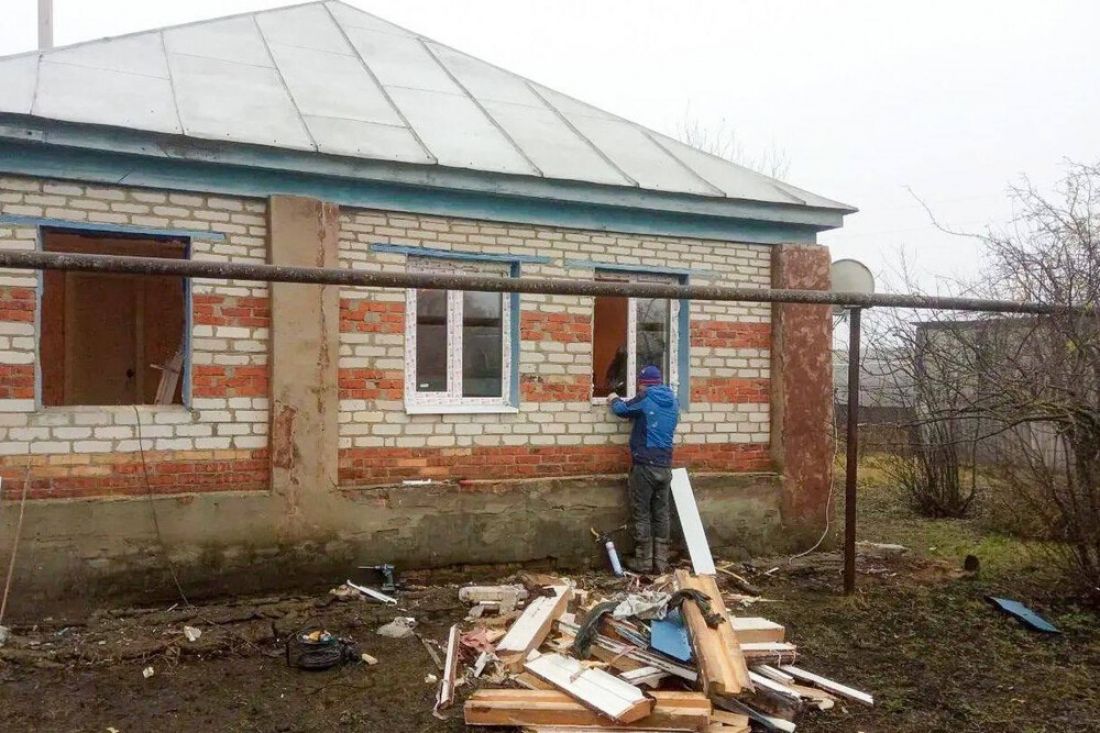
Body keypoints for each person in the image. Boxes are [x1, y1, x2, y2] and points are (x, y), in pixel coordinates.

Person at [607, 365, 679, 574]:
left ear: (642, 384)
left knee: (642, 513)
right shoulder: (673, 400)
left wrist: (613, 398)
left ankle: (644, 562)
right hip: (665, 465)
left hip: (645, 465)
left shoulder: (646, 397)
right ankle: (661, 562)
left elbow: (622, 410)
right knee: (662, 513)